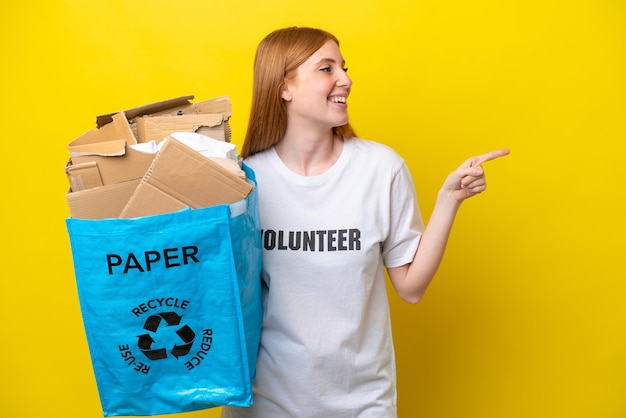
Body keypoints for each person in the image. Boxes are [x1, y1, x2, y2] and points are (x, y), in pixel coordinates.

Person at [221, 27, 509, 418]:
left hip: (363, 405)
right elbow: (223, 296)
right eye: (327, 68)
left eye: (344, 66)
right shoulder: (244, 182)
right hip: (266, 404)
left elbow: (411, 287)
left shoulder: (380, 168)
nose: (346, 79)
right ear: (284, 87)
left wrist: (449, 200)